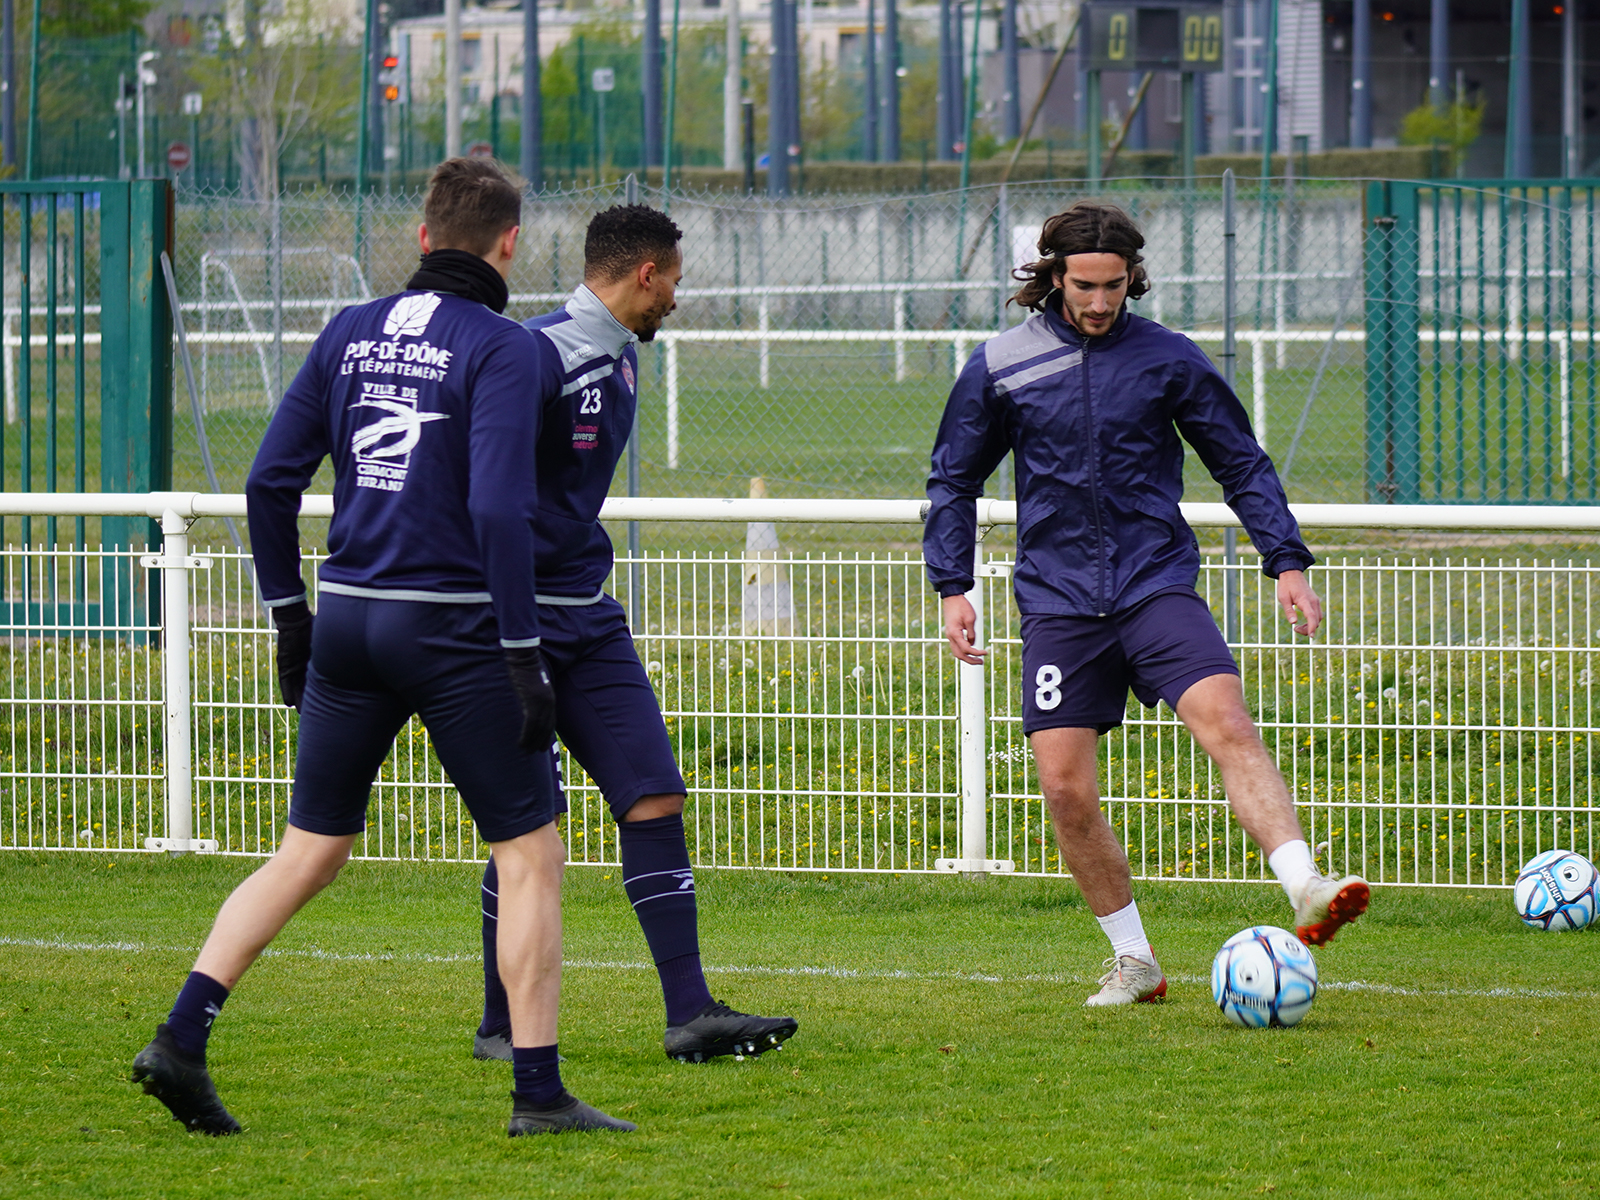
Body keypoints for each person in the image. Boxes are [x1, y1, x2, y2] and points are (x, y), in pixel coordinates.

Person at [131, 158, 634, 1137]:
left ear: (419, 237)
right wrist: (525, 651)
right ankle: (538, 1093)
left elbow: (269, 483)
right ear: (508, 244)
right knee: (530, 852)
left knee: (308, 852)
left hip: (349, 620)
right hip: (449, 630)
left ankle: (181, 1038)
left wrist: (289, 619)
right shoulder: (505, 346)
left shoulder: (350, 329)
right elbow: (497, 502)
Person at [923, 200, 1369, 1007]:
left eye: (1115, 287)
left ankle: (1305, 886)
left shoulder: (1169, 357)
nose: (1100, 303)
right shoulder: (1001, 363)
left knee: (1227, 723)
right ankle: (1135, 960)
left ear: (1134, 279)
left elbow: (1242, 464)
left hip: (1155, 583)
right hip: (1057, 601)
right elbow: (954, 479)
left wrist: (1286, 561)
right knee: (1064, 789)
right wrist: (953, 584)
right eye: (1085, 286)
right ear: (1052, 276)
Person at [471, 203, 799, 1064]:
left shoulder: (620, 359)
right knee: (528, 826)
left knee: (654, 794)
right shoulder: (534, 355)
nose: (677, 304)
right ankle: (501, 1027)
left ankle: (691, 1014)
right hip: (517, 626)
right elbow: (485, 492)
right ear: (644, 274)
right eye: (675, 285)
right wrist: (503, 630)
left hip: (591, 617)